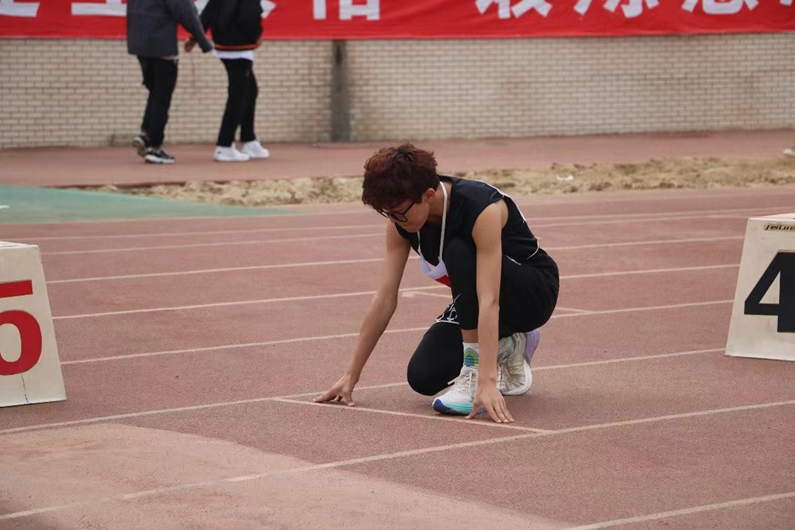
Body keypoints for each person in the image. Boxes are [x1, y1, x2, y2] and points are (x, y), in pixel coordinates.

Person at [315, 144, 559, 423]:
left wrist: (485, 380)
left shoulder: (481, 208)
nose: (394, 220)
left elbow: (489, 298)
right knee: (423, 376)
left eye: (398, 212)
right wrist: (351, 375)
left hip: (532, 293)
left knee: (459, 248)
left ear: (428, 195)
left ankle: (474, 369)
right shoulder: (400, 221)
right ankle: (511, 343)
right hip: (479, 299)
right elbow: (384, 298)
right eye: (387, 213)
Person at [127, 0, 213, 164]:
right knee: (162, 97)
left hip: (140, 46)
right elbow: (186, 13)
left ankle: (146, 134)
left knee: (155, 92)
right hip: (162, 46)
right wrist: (203, 42)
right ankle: (154, 146)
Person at [186, 0, 270, 162]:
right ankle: (224, 145)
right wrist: (256, 36)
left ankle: (249, 139)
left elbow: (208, 12)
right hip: (239, 46)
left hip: (225, 45)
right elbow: (250, 15)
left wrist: (194, 37)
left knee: (250, 90)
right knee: (239, 96)